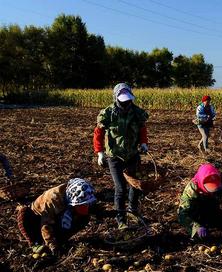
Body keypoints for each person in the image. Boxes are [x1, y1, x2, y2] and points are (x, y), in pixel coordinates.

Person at [94, 83, 149, 229]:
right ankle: (121, 219)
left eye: (128, 100)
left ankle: (133, 211)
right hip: (114, 156)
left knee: (135, 186)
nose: (126, 103)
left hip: (132, 154)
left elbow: (142, 129)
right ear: (116, 98)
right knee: (120, 189)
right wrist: (100, 153)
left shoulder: (137, 113)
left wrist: (143, 143)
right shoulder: (108, 114)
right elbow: (98, 134)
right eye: (122, 100)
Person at [17, 178, 97, 255]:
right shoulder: (52, 200)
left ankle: (60, 240)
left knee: (84, 218)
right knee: (23, 213)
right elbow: (46, 225)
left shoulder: (74, 194)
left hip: (57, 218)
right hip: (38, 221)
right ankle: (35, 243)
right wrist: (52, 245)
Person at [178, 163, 222, 240]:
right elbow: (182, 214)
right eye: (211, 190)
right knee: (203, 237)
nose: (214, 193)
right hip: (196, 215)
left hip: (212, 210)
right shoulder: (191, 190)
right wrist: (196, 227)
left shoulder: (220, 179)